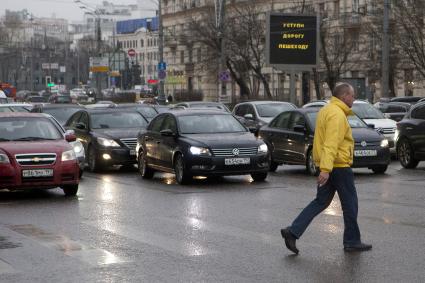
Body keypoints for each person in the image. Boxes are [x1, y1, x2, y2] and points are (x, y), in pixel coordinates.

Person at [281, 82, 372, 254]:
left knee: (320, 202)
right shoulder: (337, 115)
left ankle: (292, 232)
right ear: (344, 96)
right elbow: (331, 143)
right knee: (350, 204)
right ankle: (352, 241)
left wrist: (323, 166)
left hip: (328, 165)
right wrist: (326, 169)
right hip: (338, 166)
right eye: (352, 95)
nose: (354, 98)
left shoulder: (326, 110)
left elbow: (322, 141)